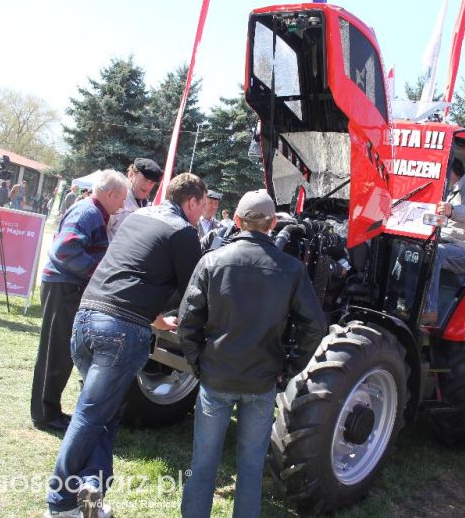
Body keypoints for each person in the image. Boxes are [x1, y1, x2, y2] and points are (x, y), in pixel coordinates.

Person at [44, 173, 206, 518]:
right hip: (119, 332)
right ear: (191, 201)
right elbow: (195, 289)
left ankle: (91, 488)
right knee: (90, 414)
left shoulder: (136, 217)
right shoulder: (183, 232)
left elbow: (132, 272)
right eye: (202, 206)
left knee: (105, 411)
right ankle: (60, 504)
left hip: (86, 318)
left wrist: (156, 319)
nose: (202, 214)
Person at [178, 190, 327, 518]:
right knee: (249, 468)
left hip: (217, 376)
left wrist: (198, 362)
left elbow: (188, 321)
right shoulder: (290, 269)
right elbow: (315, 327)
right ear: (272, 224)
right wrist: (289, 369)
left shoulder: (212, 261)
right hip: (261, 382)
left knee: (203, 463)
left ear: (236, 221)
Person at [30, 170, 129, 433]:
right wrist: (97, 273)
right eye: (121, 199)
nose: (122, 206)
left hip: (67, 286)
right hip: (64, 288)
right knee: (56, 353)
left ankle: (48, 410)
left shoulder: (92, 212)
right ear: (110, 194)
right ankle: (45, 414)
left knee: (61, 353)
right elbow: (65, 248)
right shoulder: (87, 213)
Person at [422, 159, 465, 324]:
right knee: (414, 248)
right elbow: (445, 223)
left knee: (435, 254)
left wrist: (452, 211)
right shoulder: (451, 192)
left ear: (451, 170)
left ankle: (429, 311)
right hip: (450, 242)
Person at [106, 158, 162, 239]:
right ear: (131, 175)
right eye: (145, 179)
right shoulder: (116, 198)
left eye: (152, 182)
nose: (147, 186)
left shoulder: (147, 205)